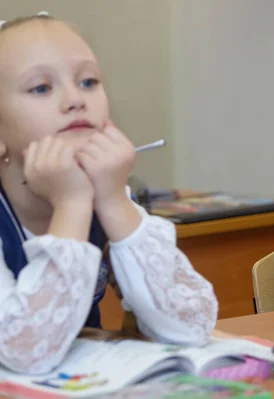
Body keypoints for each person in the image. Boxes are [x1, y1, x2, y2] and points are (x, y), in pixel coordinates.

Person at [0, 13, 218, 374]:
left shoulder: (105, 195)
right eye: (41, 88)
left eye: (88, 82)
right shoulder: (76, 198)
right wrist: (70, 205)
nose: (75, 100)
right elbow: (27, 352)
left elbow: (190, 327)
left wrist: (115, 202)